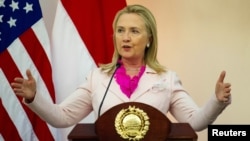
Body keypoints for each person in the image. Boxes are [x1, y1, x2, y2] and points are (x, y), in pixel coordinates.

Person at [11, 4, 231, 132]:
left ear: (149, 39)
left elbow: (194, 122)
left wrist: (217, 101)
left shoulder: (167, 79)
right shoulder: (97, 77)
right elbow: (63, 117)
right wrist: (34, 97)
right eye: (120, 30)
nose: (125, 38)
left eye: (134, 31)